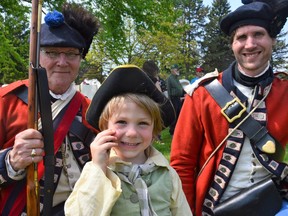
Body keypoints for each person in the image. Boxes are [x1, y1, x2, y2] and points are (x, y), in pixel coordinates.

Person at [170, 2, 288, 216]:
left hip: (272, 203)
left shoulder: (285, 90)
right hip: (216, 207)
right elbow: (182, 164)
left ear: (272, 39)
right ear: (232, 45)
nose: (250, 44)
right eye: (241, 37)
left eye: (258, 34)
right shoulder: (202, 94)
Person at [0, 3, 100, 215]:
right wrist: (10, 161)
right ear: (37, 56)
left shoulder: (92, 110)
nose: (62, 62)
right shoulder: (6, 101)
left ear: (80, 58)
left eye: (71, 54)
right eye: (52, 52)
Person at [64, 65, 192, 216]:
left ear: (154, 130)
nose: (131, 133)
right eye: (122, 122)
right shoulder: (97, 171)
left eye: (143, 123)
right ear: (105, 127)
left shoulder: (168, 174)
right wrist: (98, 168)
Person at [166, 64, 184, 136]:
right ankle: (172, 131)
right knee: (174, 115)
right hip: (173, 99)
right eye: (176, 69)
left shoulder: (177, 78)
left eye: (177, 69)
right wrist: (169, 100)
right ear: (172, 70)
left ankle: (178, 130)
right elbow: (169, 90)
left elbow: (180, 88)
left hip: (178, 99)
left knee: (179, 114)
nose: (177, 70)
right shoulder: (170, 78)